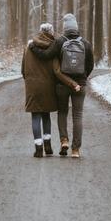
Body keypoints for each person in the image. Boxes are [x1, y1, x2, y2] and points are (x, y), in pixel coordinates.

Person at [29, 13, 94, 158]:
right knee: (77, 116)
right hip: (80, 85)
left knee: (62, 113)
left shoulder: (59, 42)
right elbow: (90, 65)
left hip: (61, 85)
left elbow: (45, 55)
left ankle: (64, 140)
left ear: (65, 28)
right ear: (76, 27)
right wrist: (82, 79)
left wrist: (33, 47)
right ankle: (75, 149)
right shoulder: (86, 43)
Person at [21, 23, 81, 158]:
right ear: (51, 32)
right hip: (48, 87)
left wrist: (29, 80)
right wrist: (72, 83)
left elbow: (23, 69)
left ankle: (38, 147)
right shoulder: (53, 47)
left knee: (35, 116)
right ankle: (48, 146)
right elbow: (57, 71)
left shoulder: (28, 47)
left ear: (40, 31)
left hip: (32, 87)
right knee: (46, 115)